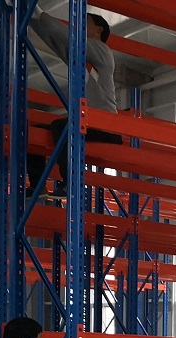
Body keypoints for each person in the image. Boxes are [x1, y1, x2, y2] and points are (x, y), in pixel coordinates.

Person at [25, 7, 122, 197]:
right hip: (86, 124)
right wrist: (32, 18)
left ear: (99, 30)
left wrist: (39, 13)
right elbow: (56, 38)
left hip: (105, 128)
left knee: (61, 126)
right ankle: (38, 185)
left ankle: (71, 182)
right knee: (34, 132)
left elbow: (65, 35)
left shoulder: (102, 51)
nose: (80, 25)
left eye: (86, 22)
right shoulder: (79, 56)